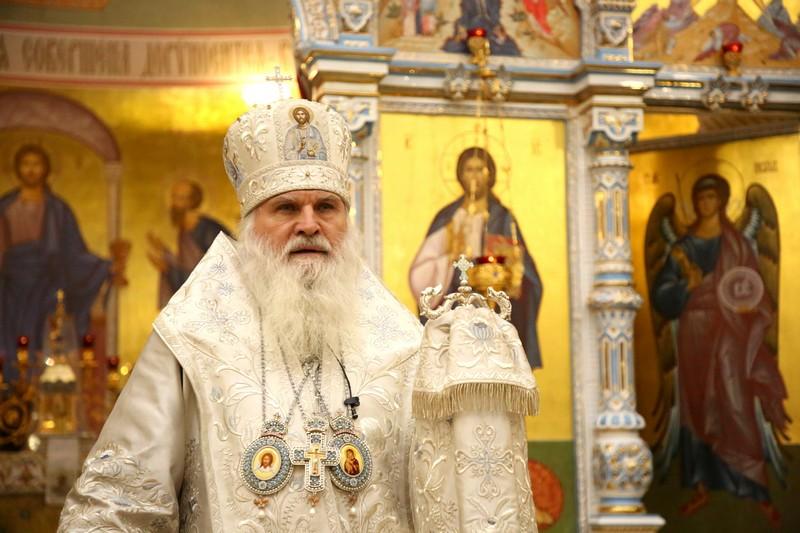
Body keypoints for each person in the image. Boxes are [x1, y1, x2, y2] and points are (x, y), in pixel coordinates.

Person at [59, 99, 537, 532]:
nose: (309, 224)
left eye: (326, 207)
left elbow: (447, 498)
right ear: (250, 225)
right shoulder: (191, 336)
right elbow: (118, 500)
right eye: (286, 208)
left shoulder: (401, 344)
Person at [651, 174, 788, 526]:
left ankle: (756, 489)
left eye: (712, 196)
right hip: (694, 333)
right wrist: (686, 287)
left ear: (723, 200)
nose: (705, 203)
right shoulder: (681, 248)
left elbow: (755, 289)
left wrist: (746, 308)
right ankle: (701, 487)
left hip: (731, 333)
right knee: (698, 407)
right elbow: (661, 296)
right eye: (700, 197)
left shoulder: (738, 244)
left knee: (735, 403)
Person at [0, 145, 126, 382]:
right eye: (26, 164)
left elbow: (74, 254)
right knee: (10, 344)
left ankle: (44, 390)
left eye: (36, 164)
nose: (31, 170)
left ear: (46, 169)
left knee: (46, 342)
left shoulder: (58, 210)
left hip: (47, 287)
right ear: (16, 168)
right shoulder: (5, 206)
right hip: (11, 291)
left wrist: (104, 268)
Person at [409, 146, 544, 368]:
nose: (474, 176)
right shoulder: (448, 217)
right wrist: (449, 262)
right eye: (469, 169)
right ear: (459, 175)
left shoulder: (503, 218)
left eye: (480, 169)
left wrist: (509, 273)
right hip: (455, 312)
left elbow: (529, 278)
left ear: (491, 174)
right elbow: (421, 271)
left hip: (494, 313)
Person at [147, 179, 230, 307]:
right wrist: (164, 251)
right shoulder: (185, 230)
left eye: (180, 198)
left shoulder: (208, 229)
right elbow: (187, 266)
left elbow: (213, 275)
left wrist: (168, 269)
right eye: (173, 197)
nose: (174, 203)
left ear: (192, 201)